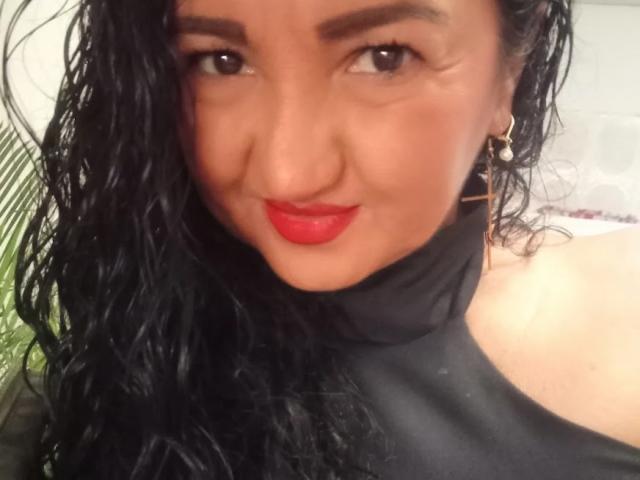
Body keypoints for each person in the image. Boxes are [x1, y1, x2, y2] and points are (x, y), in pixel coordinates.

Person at [2, 0, 639, 478]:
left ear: (509, 76)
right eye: (221, 61)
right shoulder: (126, 349)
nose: (288, 173)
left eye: (384, 57)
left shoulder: (622, 335)